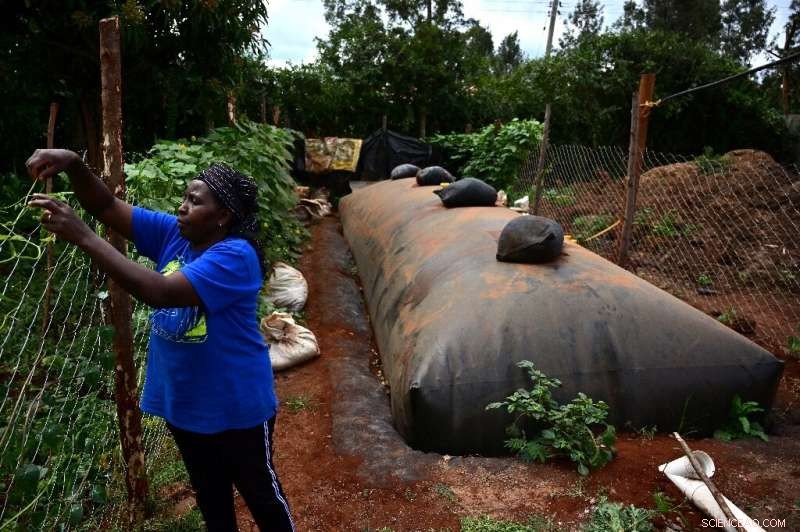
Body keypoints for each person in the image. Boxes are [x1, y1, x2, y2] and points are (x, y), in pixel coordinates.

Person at [25, 149, 295, 532]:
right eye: (185, 197)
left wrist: (84, 237)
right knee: (212, 499)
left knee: (262, 496)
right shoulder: (176, 234)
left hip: (236, 408)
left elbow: (161, 292)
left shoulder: (236, 255)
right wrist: (74, 164)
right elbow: (105, 206)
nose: (182, 207)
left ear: (222, 216)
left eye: (195, 202)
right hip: (185, 405)